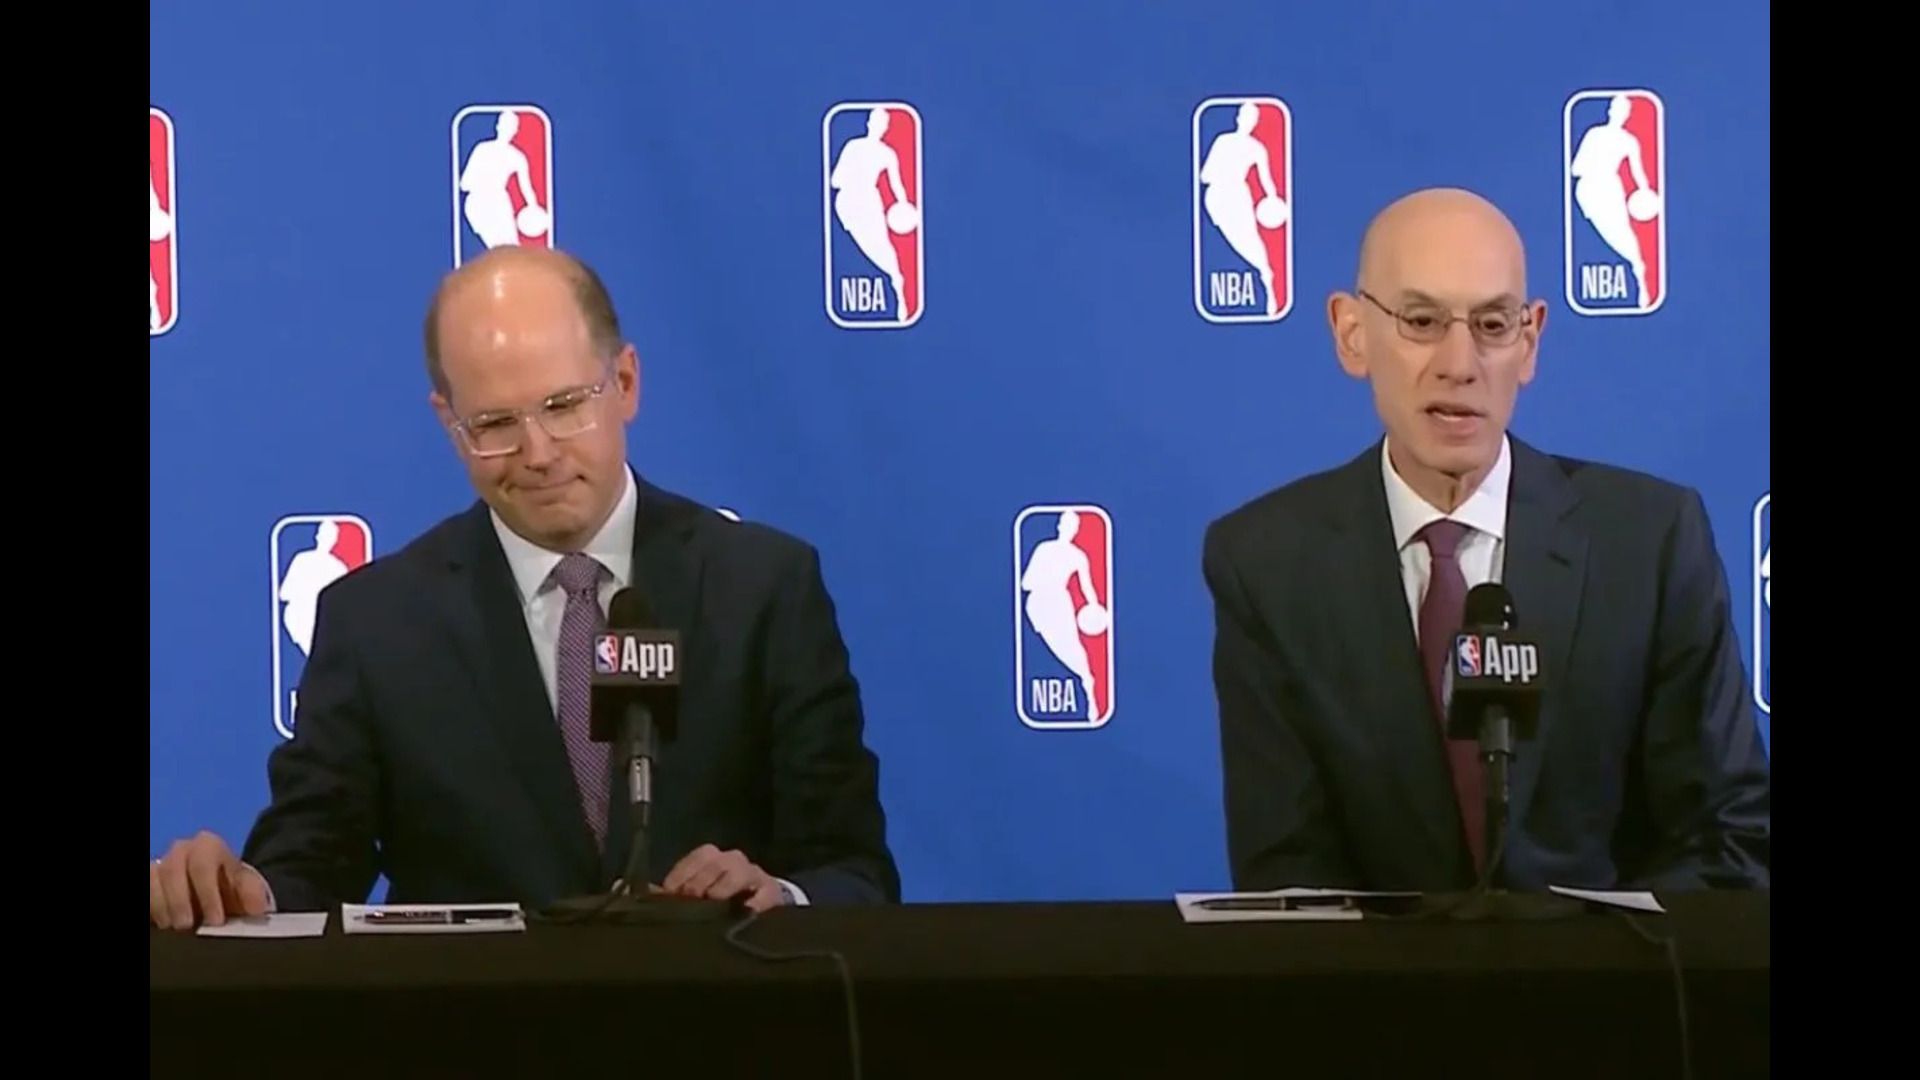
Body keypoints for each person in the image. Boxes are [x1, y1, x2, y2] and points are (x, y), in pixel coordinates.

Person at [151, 247, 899, 928]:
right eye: (495, 423)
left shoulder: (762, 588)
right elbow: (311, 861)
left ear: (625, 383)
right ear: (449, 423)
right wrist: (241, 893)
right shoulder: (377, 622)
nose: (538, 453)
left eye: (565, 406)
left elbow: (854, 871)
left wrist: (779, 898)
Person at [1202, 187, 1769, 894]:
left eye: (1493, 324)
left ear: (1529, 342)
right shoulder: (1267, 562)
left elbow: (1727, 838)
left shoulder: (1649, 541)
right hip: (1378, 970)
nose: (1460, 363)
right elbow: (1286, 872)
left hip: (1613, 965)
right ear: (1351, 332)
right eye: (1421, 321)